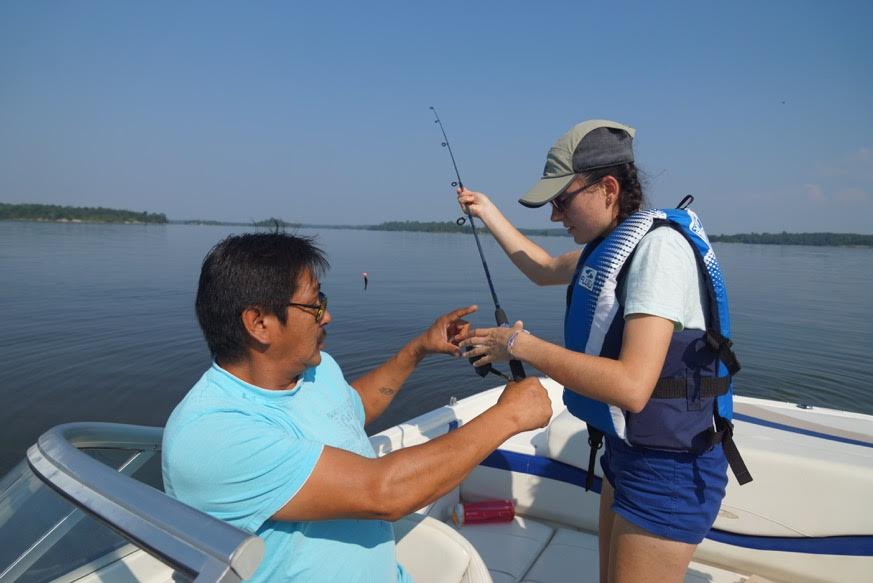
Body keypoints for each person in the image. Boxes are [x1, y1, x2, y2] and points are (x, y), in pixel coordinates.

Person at [161, 232, 551, 582]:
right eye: (315, 305)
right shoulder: (211, 433)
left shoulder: (313, 368)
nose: (327, 316)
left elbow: (350, 411)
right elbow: (384, 493)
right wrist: (509, 415)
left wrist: (417, 350)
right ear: (259, 323)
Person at [455, 120, 749, 583]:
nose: (555, 216)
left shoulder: (659, 254)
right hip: (627, 451)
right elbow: (543, 267)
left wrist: (516, 344)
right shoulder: (615, 247)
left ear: (607, 187)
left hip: (668, 470)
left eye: (561, 201)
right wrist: (486, 210)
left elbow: (632, 388)